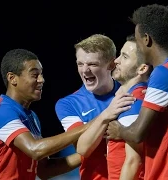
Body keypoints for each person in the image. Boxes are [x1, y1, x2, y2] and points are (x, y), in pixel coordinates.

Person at [106, 4, 168, 180]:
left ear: (146, 39)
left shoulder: (164, 73)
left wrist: (119, 130)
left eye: (137, 40)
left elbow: (137, 133)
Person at [0, 49, 91, 180]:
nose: (42, 79)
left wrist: (89, 154)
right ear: (12, 78)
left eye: (41, 74)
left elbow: (44, 170)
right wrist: (90, 126)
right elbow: (35, 150)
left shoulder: (31, 117)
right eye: (34, 75)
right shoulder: (2, 112)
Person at [55, 34, 135, 180]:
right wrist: (107, 114)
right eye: (80, 64)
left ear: (111, 65)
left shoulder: (131, 93)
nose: (85, 70)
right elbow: (83, 148)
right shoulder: (67, 104)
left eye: (92, 64)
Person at [76, 34, 151, 180]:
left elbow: (133, 161)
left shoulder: (133, 100)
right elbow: (82, 149)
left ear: (142, 68)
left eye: (124, 57)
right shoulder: (124, 98)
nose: (116, 61)